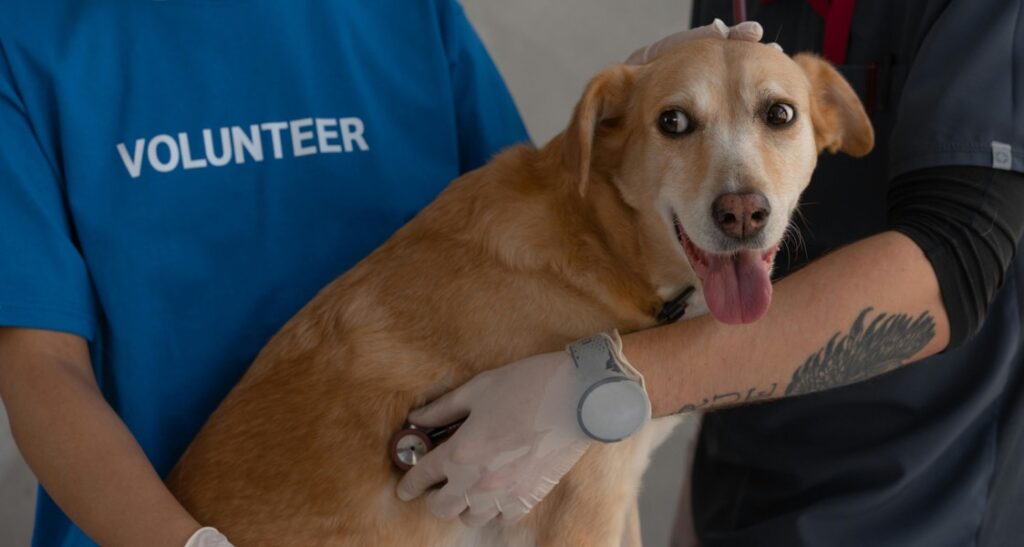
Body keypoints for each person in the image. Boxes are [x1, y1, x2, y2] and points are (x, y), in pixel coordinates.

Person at [396, 1, 1024, 546]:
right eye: (677, 124)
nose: (738, 196)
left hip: (922, 495)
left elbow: (959, 257)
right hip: (735, 478)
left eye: (778, 116)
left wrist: (588, 391)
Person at [0, 1, 531, 546]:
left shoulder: (409, 14)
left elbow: (541, 240)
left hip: (420, 522)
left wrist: (589, 382)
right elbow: (41, 369)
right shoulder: (24, 34)